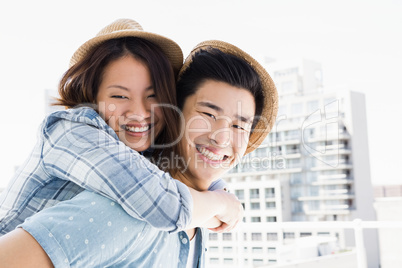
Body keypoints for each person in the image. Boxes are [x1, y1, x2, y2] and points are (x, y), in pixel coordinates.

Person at [0, 40, 278, 267]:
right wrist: (222, 202)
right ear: (174, 113)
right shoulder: (128, 209)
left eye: (239, 125)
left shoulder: (199, 219)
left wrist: (219, 199)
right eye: (207, 114)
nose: (221, 137)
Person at [0, 19, 243, 237]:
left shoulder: (136, 149)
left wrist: (217, 194)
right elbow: (167, 207)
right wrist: (224, 204)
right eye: (119, 96)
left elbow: (185, 183)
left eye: (153, 95)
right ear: (92, 96)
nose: (139, 112)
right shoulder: (71, 133)